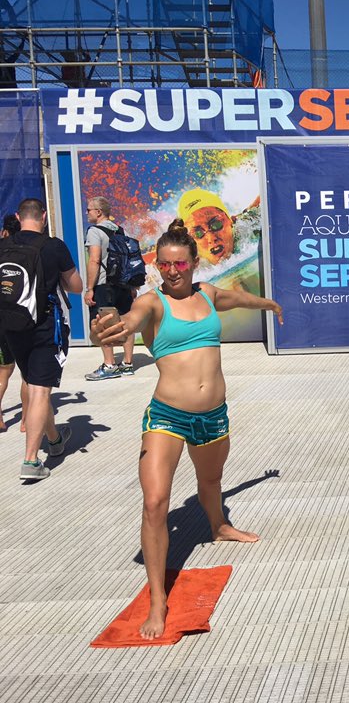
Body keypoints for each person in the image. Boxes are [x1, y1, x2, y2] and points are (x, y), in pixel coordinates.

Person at [91, 219, 282, 640]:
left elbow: (235, 298)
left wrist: (268, 304)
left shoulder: (208, 294)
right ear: (157, 265)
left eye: (179, 264)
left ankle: (218, 526)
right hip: (167, 417)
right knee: (156, 502)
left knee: (211, 482)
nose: (172, 271)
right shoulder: (152, 303)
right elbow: (132, 317)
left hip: (213, 415)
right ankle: (159, 597)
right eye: (164, 264)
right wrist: (117, 327)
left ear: (194, 264)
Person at [6, 199, 81, 480]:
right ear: (45, 217)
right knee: (39, 391)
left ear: (18, 217)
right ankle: (30, 461)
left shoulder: (4, 245)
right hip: (44, 325)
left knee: (35, 384)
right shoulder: (54, 246)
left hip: (12, 326)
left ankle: (55, 439)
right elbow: (76, 286)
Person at [83, 196, 136, 380]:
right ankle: (128, 363)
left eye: (89, 209)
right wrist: (131, 285)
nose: (87, 212)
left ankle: (109, 365)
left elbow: (95, 260)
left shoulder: (94, 232)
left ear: (98, 212)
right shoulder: (120, 230)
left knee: (102, 324)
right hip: (123, 284)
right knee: (125, 322)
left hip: (104, 285)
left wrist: (89, 288)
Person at [178, 188, 260, 267]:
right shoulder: (191, 267)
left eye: (216, 224)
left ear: (231, 221)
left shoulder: (248, 227)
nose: (211, 238)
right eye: (198, 233)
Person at [0, 213, 27, 432]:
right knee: (28, 375)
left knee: (4, 370)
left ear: (4, 231)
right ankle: (27, 421)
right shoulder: (28, 251)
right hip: (24, 318)